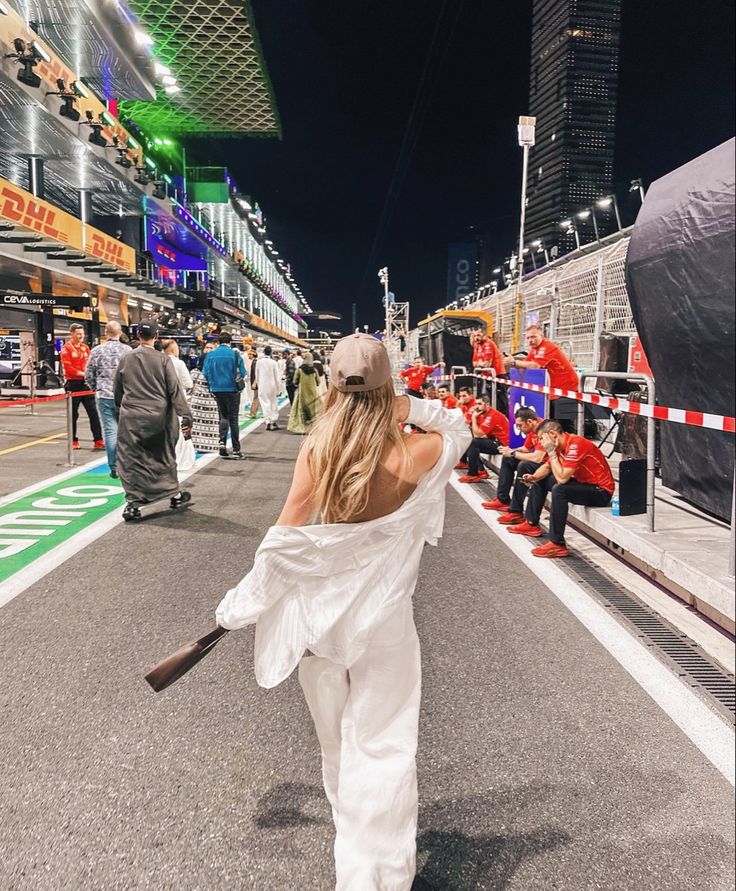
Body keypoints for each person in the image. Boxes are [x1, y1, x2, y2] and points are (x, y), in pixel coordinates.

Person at [214, 333, 470, 888]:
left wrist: (244, 602)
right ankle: (374, 875)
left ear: (331, 383)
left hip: (318, 623)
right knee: (383, 745)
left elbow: (283, 536)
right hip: (384, 624)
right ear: (389, 387)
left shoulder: (319, 448)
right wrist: (408, 406)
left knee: (337, 744)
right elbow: (459, 427)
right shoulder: (416, 451)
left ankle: (351, 848)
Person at [113, 321, 192, 522]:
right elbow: (174, 390)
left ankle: (133, 504)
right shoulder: (164, 360)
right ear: (156, 336)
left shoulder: (126, 358)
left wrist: (122, 410)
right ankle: (174, 495)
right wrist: (186, 415)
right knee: (163, 457)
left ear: (138, 335)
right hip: (159, 418)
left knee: (132, 460)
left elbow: (118, 391)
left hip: (132, 418)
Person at [506, 418, 615, 558]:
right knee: (542, 478)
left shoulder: (576, 445)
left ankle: (557, 544)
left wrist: (551, 453)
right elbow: (546, 467)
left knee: (559, 489)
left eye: (541, 439)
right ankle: (531, 523)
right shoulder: (558, 445)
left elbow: (562, 478)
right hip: (583, 484)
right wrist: (533, 478)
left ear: (553, 434)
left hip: (601, 491)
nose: (540, 443)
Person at [504, 325, 579, 430]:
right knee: (552, 422)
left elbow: (535, 365)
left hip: (566, 388)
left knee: (564, 425)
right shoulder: (535, 350)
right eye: (528, 338)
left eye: (533, 337)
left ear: (542, 336)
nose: (530, 340)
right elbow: (526, 364)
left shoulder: (547, 347)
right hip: (554, 389)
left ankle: (569, 444)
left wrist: (513, 362)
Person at [84, 321, 131, 478]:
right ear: (120, 333)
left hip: (104, 395)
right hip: (124, 396)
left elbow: (89, 374)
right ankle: (127, 464)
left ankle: (114, 467)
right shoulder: (128, 351)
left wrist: (94, 387)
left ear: (106, 332)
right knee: (125, 431)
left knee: (111, 431)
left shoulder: (97, 351)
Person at [484, 406, 546, 515]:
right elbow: (526, 449)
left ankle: (516, 510)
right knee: (508, 458)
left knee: (523, 465)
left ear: (530, 422)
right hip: (541, 462)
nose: (519, 429)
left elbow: (538, 457)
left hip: (548, 465)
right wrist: (510, 450)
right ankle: (502, 499)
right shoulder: (533, 428)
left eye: (520, 426)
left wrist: (513, 453)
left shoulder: (544, 430)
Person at [201, 332, 247, 459]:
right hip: (232, 390)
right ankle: (236, 450)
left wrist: (213, 383)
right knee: (233, 419)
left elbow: (205, 372)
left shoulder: (210, 355)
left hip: (216, 390)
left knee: (223, 417)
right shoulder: (235, 354)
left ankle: (222, 444)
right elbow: (243, 372)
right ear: (230, 342)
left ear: (218, 342)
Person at [60, 323, 104, 451]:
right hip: (73, 385)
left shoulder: (85, 348)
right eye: (78, 334)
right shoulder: (66, 349)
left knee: (94, 414)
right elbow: (69, 368)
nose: (81, 336)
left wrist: (91, 375)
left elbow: (90, 364)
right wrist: (83, 374)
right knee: (73, 415)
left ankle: (98, 440)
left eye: (82, 334)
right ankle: (73, 440)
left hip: (86, 385)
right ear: (72, 334)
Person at [457, 396, 510, 483]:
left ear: (487, 405)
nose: (477, 407)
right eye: (476, 404)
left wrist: (474, 418)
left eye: (479, 404)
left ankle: (473, 474)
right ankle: (480, 470)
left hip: (502, 445)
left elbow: (477, 434)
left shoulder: (492, 416)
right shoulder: (484, 414)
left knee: (473, 442)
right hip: (495, 441)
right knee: (469, 440)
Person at [190, 343, 220, 452]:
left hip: (197, 403)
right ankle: (211, 446)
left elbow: (189, 387)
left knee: (197, 426)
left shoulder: (195, 372)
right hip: (211, 403)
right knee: (211, 425)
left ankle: (197, 445)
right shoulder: (216, 373)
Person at [470, 327, 508, 413]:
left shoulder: (488, 344)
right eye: (474, 336)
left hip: (497, 375)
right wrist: (480, 364)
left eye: (478, 335)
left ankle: (504, 419)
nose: (476, 338)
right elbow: (474, 363)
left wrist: (480, 363)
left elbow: (487, 364)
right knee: (491, 399)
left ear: (484, 335)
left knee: (501, 402)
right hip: (488, 376)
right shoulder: (477, 345)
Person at [287, 351, 320, 433]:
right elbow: (318, 382)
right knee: (313, 410)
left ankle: (302, 427)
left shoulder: (300, 370)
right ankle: (312, 428)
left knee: (300, 410)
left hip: (301, 393)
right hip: (312, 393)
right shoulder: (314, 371)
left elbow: (295, 381)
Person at [255, 345, 281, 430]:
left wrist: (258, 384)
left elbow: (257, 374)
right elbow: (277, 376)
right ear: (271, 352)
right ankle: (273, 420)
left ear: (264, 352)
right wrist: (278, 388)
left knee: (264, 403)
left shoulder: (259, 362)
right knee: (273, 402)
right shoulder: (274, 362)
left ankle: (268, 421)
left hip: (262, 385)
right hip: (272, 385)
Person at [247, 349, 261, 419]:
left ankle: (252, 413)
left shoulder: (255, 362)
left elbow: (257, 374)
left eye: (249, 354)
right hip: (256, 382)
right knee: (256, 398)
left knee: (256, 398)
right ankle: (253, 412)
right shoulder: (254, 362)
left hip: (257, 383)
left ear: (253, 354)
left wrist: (254, 383)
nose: (248, 355)